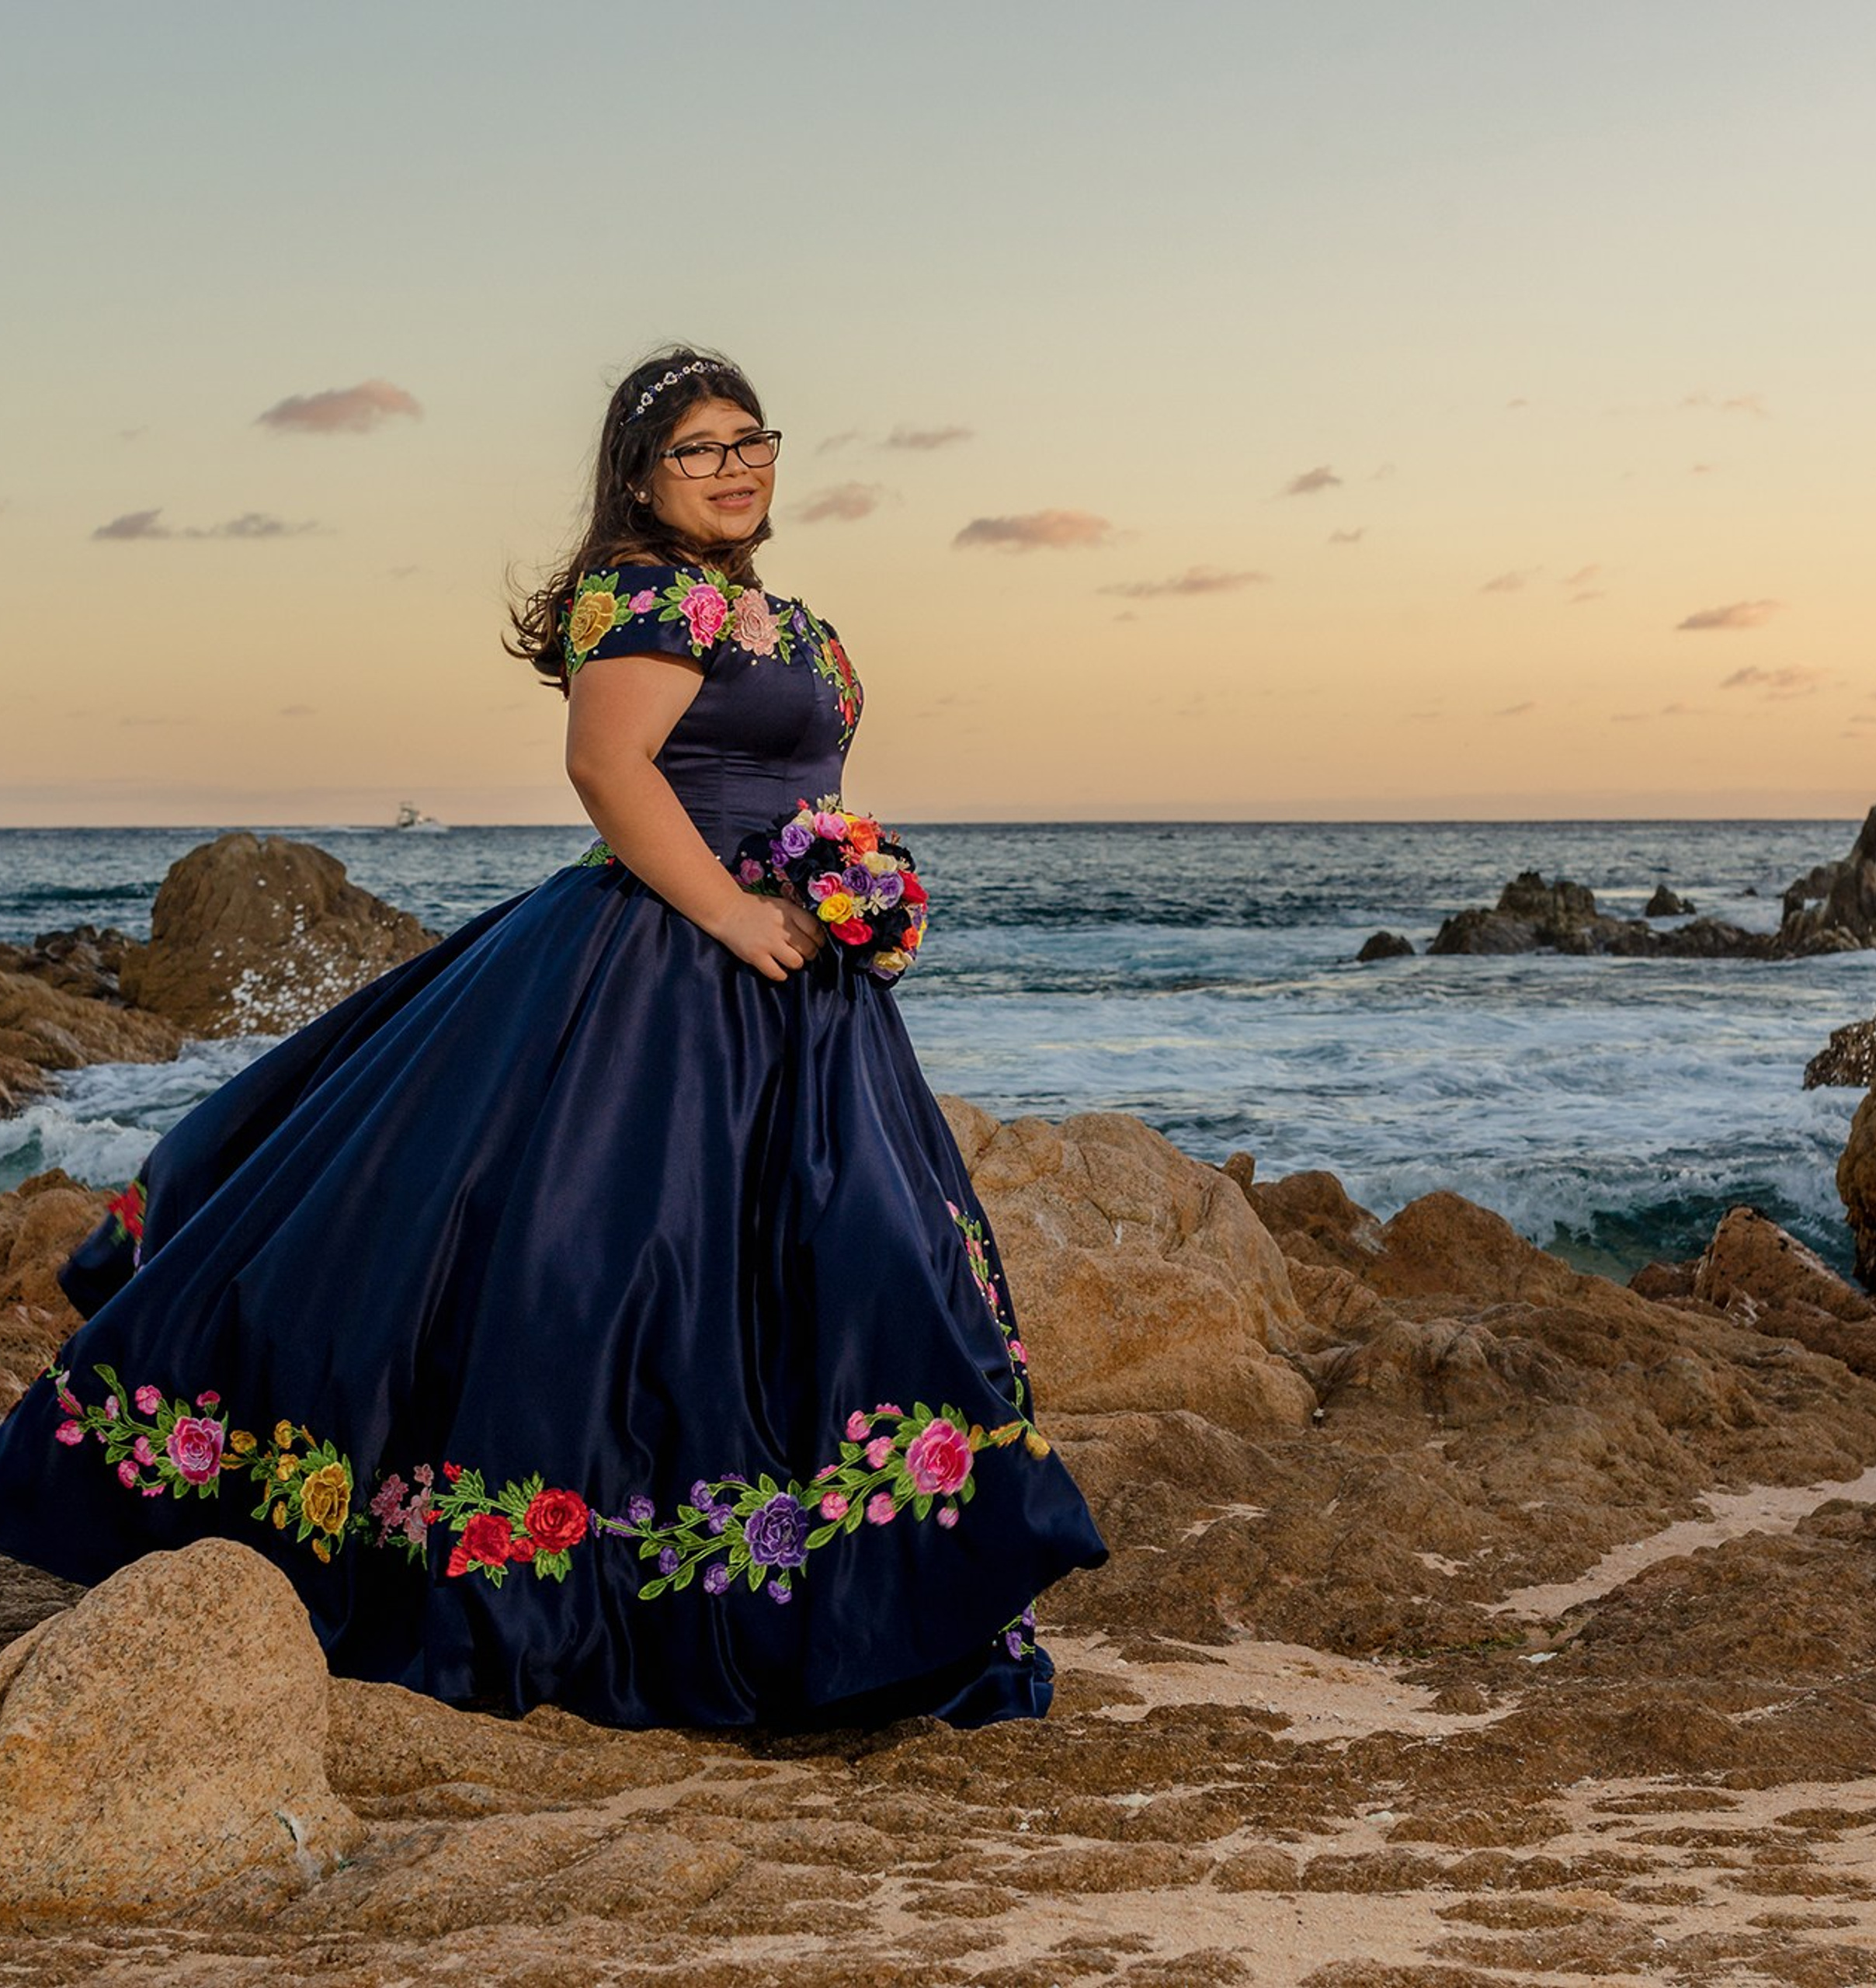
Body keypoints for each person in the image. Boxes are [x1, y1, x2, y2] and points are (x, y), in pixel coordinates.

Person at [0, 344, 1108, 1729]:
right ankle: (596, 1609)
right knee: (612, 1269)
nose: (733, 466)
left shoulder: (779, 613)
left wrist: (841, 894)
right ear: (641, 476)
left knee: (852, 1269)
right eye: (697, 448)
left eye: (748, 438)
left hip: (803, 1004)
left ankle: (862, 1600)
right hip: (668, 965)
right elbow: (606, 769)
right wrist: (736, 917)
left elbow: (792, 777)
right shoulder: (635, 594)